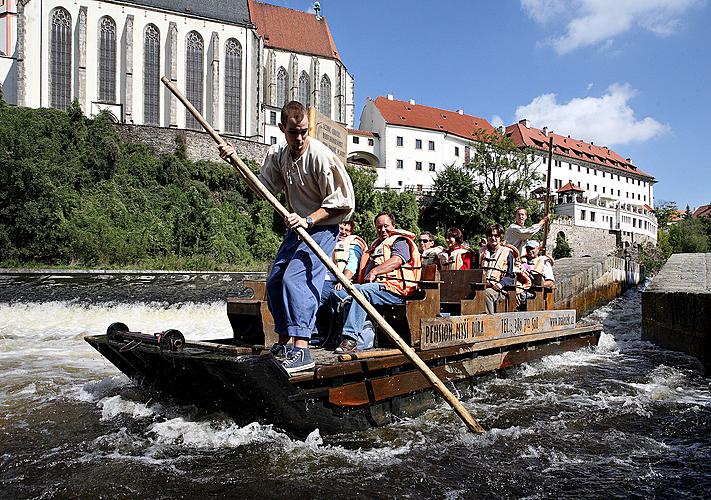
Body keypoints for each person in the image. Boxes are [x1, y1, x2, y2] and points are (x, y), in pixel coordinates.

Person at [218, 101, 355, 374]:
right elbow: (264, 189)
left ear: (309, 128)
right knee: (276, 279)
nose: (300, 138)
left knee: (297, 279)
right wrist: (236, 162)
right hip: (296, 226)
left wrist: (308, 219)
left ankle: (302, 349)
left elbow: (343, 202)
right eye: (293, 132)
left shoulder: (321, 157)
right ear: (283, 129)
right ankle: (283, 343)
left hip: (323, 225)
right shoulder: (278, 154)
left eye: (304, 131)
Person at [331, 212, 421, 353]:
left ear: (393, 226)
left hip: (397, 289)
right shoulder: (377, 245)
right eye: (379, 227)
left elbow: (397, 260)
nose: (383, 230)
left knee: (361, 291)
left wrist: (374, 272)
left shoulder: (400, 241)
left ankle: (350, 338)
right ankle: (348, 332)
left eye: (386, 226)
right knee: (339, 292)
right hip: (379, 288)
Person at [312, 221, 366, 344]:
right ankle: (319, 334)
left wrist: (343, 280)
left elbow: (352, 264)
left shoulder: (353, 244)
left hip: (336, 281)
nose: (343, 232)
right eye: (341, 228)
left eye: (347, 230)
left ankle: (320, 335)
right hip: (320, 279)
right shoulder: (328, 241)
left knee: (318, 299)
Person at [480, 223, 516, 314]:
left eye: (496, 235)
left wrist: (501, 284)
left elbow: (511, 276)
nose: (493, 238)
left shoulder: (507, 253)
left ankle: (489, 322)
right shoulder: (481, 252)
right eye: (490, 235)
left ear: (501, 237)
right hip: (480, 286)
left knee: (486, 294)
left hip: (499, 290)